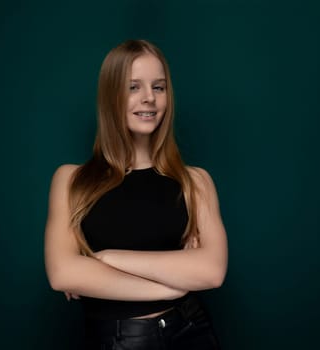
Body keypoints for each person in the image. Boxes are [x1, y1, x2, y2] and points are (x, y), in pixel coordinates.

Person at [44, 39, 228, 350]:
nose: (149, 98)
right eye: (133, 87)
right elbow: (63, 274)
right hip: (120, 340)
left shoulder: (195, 182)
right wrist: (173, 286)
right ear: (110, 95)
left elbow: (211, 271)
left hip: (192, 331)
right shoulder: (72, 180)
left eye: (159, 87)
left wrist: (106, 258)